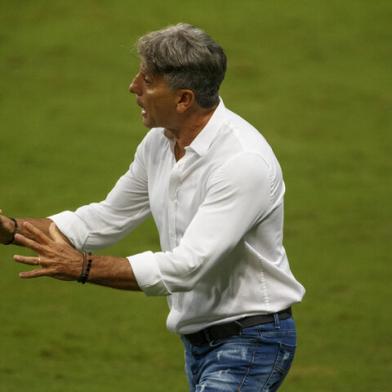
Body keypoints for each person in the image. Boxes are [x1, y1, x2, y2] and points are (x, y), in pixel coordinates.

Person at [0, 23, 305, 391]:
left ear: (183, 99)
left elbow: (188, 266)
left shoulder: (242, 163)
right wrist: (13, 229)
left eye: (147, 80)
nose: (133, 87)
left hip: (251, 339)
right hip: (200, 341)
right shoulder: (159, 143)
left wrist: (84, 267)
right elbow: (104, 218)